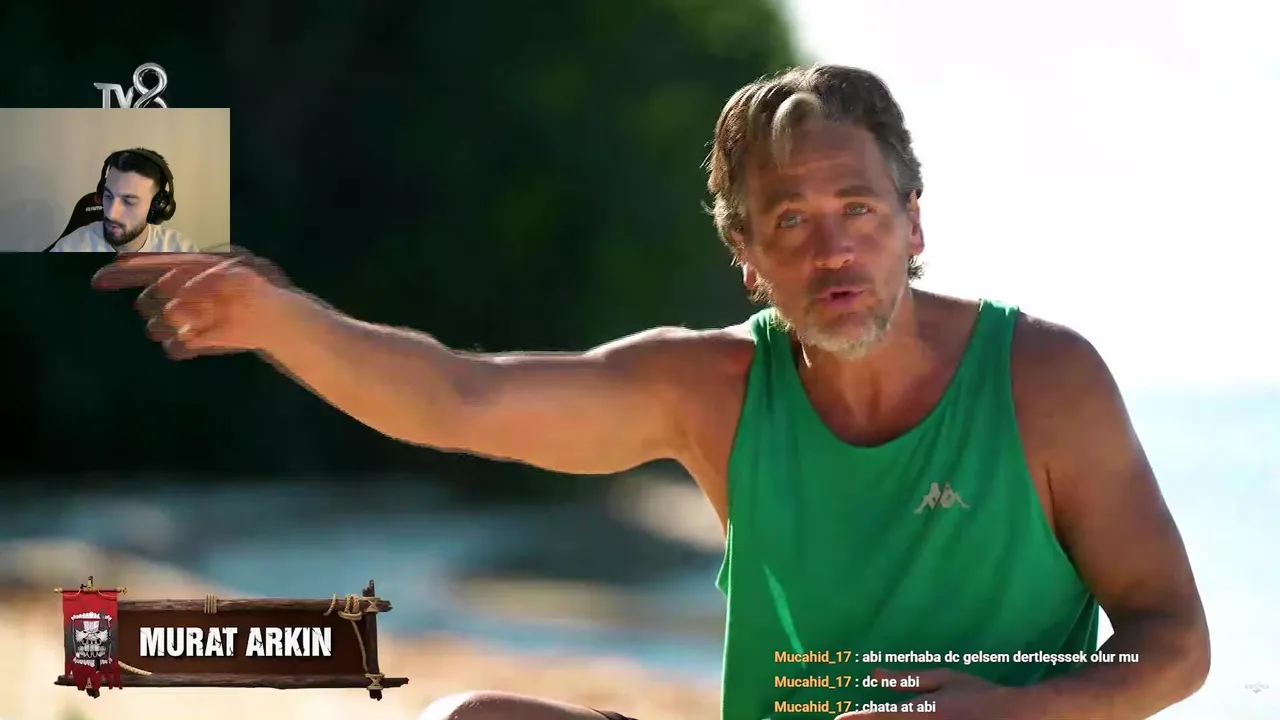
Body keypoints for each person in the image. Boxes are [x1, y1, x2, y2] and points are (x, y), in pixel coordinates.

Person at [91, 65, 1210, 720]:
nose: (831, 249)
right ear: (746, 258)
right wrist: (281, 319)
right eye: (789, 220)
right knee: (468, 719)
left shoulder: (1043, 379)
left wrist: (1008, 712)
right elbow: (459, 399)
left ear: (913, 224)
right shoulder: (714, 389)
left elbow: (1173, 641)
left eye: (859, 210)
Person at [49, 148, 201, 253]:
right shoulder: (70, 249)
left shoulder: (182, 252)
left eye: (129, 201)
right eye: (108, 196)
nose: (111, 214)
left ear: (157, 207)